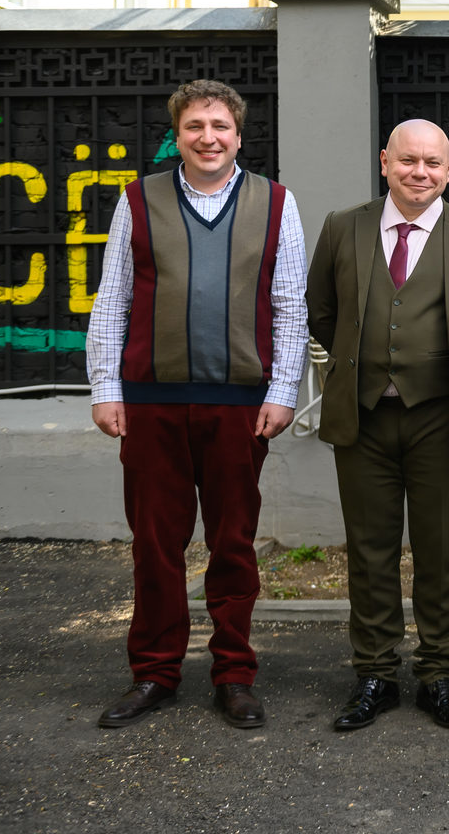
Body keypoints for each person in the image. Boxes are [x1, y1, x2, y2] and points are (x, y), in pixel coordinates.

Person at [87, 79, 307, 730]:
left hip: (240, 404)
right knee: (156, 545)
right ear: (177, 135)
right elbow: (112, 300)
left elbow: (289, 306)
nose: (208, 137)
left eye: (219, 126)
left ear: (239, 135)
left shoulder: (275, 202)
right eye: (194, 126)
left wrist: (284, 392)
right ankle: (154, 673)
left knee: (233, 544)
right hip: (151, 403)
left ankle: (234, 674)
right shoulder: (138, 199)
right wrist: (105, 388)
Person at [306, 118, 449, 732]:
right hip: (364, 415)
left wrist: (444, 371)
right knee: (369, 551)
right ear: (384, 162)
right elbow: (322, 311)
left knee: (440, 551)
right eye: (407, 160)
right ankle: (374, 673)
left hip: (441, 419)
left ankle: (437, 673)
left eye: (432, 162)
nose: (419, 172)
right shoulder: (342, 227)